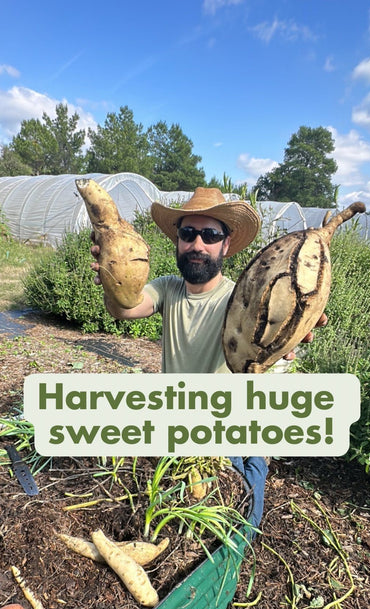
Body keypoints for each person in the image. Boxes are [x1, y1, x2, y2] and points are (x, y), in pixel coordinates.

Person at [91, 187, 326, 528]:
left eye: (210, 234)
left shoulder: (241, 299)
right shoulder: (168, 288)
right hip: (180, 431)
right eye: (188, 233)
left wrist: (291, 331)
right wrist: (113, 280)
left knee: (237, 531)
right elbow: (125, 309)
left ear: (226, 244)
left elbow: (272, 335)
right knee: (174, 524)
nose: (197, 244)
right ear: (178, 241)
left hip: (229, 438)